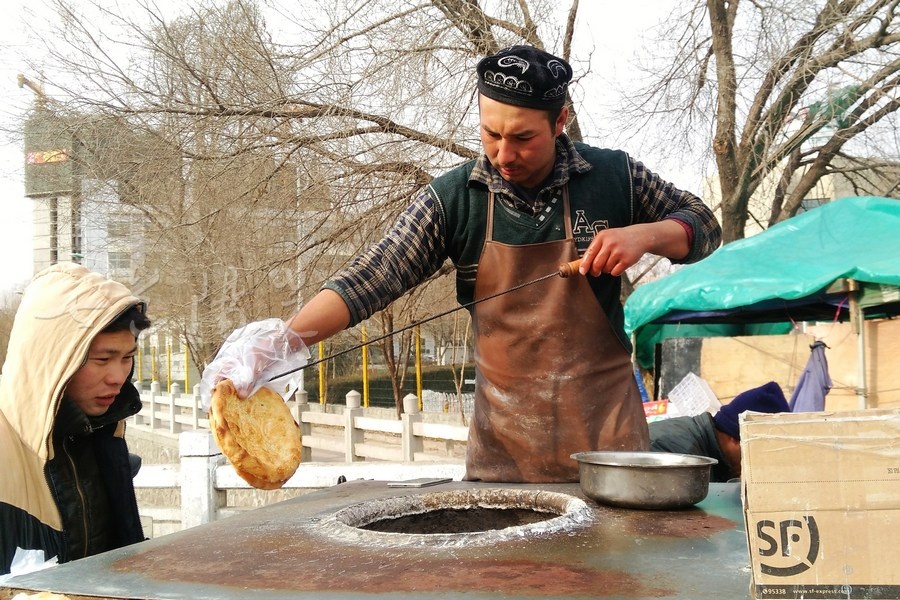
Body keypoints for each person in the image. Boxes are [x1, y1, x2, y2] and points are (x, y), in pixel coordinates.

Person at [202, 45, 721, 483]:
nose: (502, 153)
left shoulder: (616, 177)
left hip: (610, 446)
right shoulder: (455, 199)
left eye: (522, 137)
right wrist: (284, 340)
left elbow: (704, 226)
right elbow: (373, 276)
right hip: (505, 455)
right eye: (490, 133)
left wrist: (648, 235)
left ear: (560, 120)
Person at [0, 263, 150, 576]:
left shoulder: (105, 432)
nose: (118, 377)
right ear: (51, 358)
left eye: (128, 357)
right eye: (102, 359)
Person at [649, 381, 790, 482]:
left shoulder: (709, 451)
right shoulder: (684, 458)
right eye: (758, 454)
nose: (757, 464)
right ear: (735, 439)